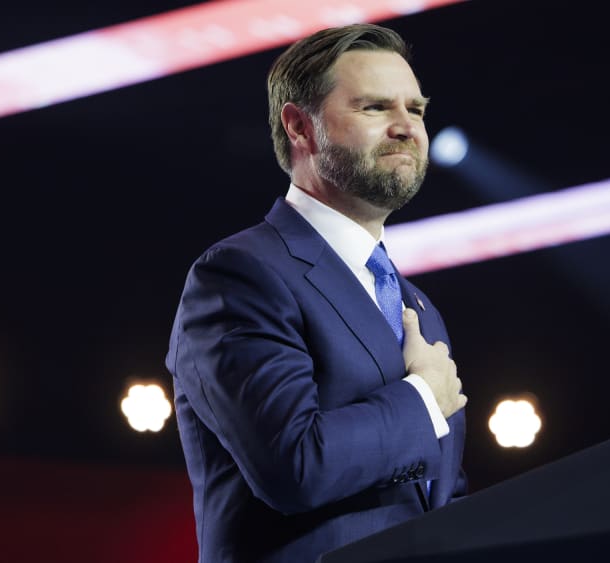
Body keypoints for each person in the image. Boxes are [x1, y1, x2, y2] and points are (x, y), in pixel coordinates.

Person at [166, 23, 467, 562]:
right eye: (375, 107)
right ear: (300, 127)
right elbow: (294, 465)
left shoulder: (417, 307)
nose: (407, 127)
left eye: (416, 109)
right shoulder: (240, 275)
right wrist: (423, 399)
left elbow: (441, 497)